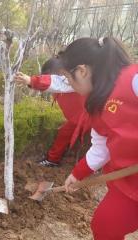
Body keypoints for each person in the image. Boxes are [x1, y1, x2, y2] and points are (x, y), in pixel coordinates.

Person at [61, 37, 138, 240]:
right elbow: (100, 147)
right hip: (128, 181)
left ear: (82, 71)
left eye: (69, 79)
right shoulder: (95, 102)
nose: (69, 85)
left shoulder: (132, 79)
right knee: (104, 227)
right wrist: (77, 174)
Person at [14, 57, 90, 167]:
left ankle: (92, 166)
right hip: (76, 120)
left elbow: (54, 83)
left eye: (49, 76)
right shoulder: (60, 86)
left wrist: (31, 80)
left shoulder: (70, 81)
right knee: (64, 133)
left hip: (90, 117)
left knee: (94, 142)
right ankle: (53, 160)